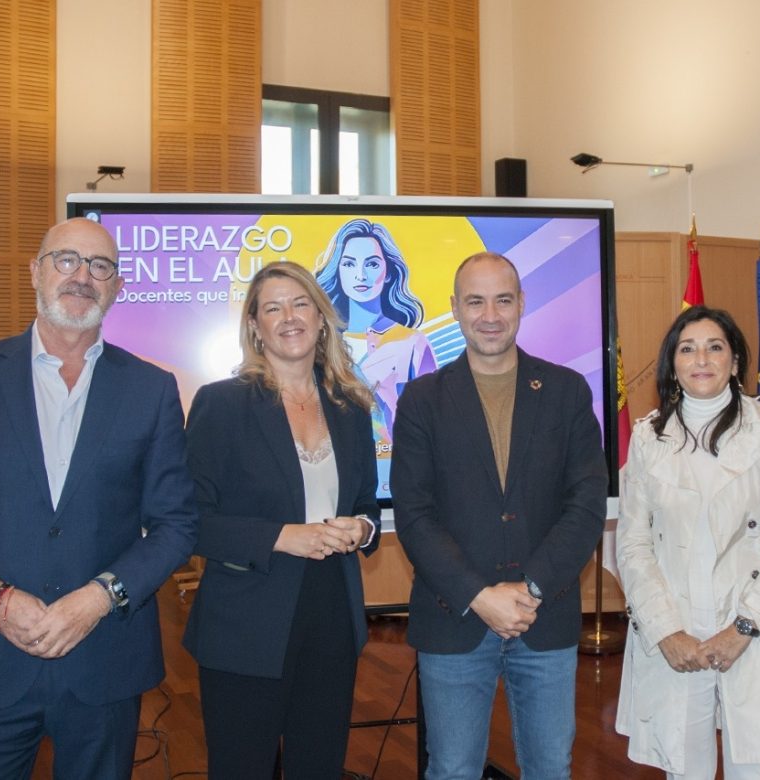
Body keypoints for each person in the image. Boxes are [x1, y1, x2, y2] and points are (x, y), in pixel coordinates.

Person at [0, 217, 199, 778]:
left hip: (104, 662)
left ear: (117, 286)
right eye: (66, 260)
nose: (82, 276)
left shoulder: (150, 390)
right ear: (36, 271)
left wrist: (99, 599)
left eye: (100, 266)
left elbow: (176, 525)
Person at [390, 251, 607, 779]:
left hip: (544, 615)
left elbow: (586, 504)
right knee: (453, 770)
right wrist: (480, 596)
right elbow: (414, 514)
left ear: (522, 304)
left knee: (550, 768)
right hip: (455, 617)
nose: (490, 315)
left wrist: (529, 590)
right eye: (475, 301)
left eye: (503, 300)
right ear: (454, 309)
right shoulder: (421, 399)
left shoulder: (566, 391)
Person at [182, 260, 381, 779]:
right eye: (273, 308)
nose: (289, 317)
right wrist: (280, 537)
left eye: (300, 304)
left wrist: (362, 529)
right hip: (244, 624)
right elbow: (188, 521)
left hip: (332, 618)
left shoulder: (351, 407)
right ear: (255, 326)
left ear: (320, 318)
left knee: (320, 766)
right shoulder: (222, 405)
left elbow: (367, 503)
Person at [614, 306, 760, 779]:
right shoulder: (649, 437)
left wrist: (746, 627)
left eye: (715, 347)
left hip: (756, 629)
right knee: (684, 768)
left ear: (735, 362)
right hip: (678, 630)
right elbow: (633, 544)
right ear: (672, 364)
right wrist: (665, 631)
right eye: (687, 349)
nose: (701, 359)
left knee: (755, 765)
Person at [316, 217, 437, 445]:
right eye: (349, 264)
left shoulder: (412, 343)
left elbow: (434, 424)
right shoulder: (319, 343)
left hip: (398, 463)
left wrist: (387, 395)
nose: (360, 275)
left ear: (389, 271)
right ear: (338, 271)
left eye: (372, 264)